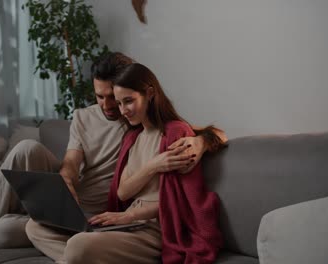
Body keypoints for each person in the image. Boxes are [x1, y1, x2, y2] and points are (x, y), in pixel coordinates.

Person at [0, 52, 226, 264]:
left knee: (10, 234)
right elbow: (75, 161)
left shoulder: (147, 127)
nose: (111, 106)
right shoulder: (99, 122)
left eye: (118, 97)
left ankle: (79, 250)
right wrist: (67, 176)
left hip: (116, 216)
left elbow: (204, 132)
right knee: (25, 155)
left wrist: (202, 140)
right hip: (81, 206)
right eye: (101, 97)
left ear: (136, 90)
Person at [25, 62, 226, 263]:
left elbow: (180, 203)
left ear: (149, 93)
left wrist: (202, 141)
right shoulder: (133, 137)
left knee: (78, 245)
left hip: (156, 227)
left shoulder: (175, 133)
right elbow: (122, 192)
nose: (123, 110)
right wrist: (154, 165)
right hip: (127, 222)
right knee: (34, 227)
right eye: (120, 103)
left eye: (128, 101)